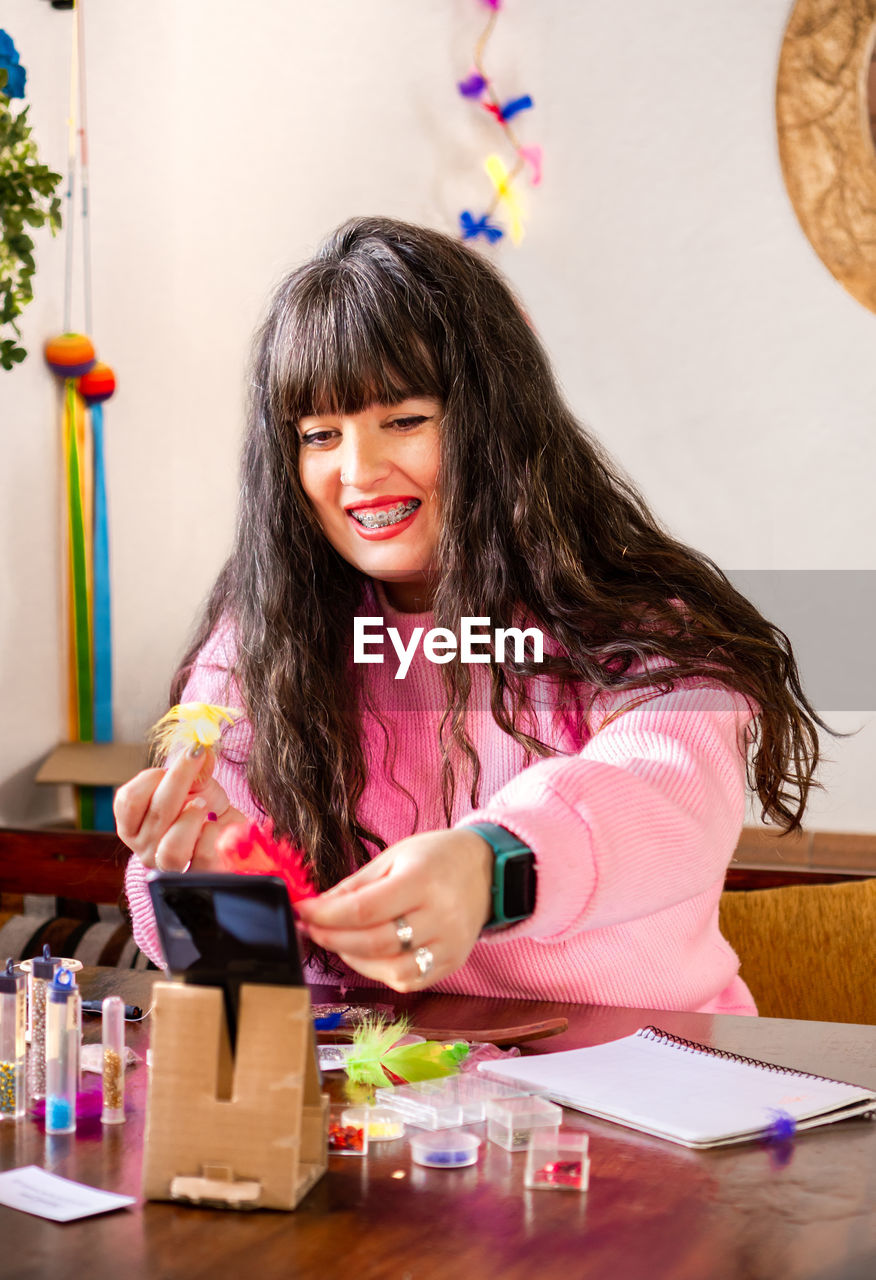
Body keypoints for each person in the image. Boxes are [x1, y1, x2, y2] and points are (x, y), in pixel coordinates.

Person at [116, 216, 822, 1012]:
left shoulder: (643, 627)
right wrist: (209, 883)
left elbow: (661, 794)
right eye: (320, 434)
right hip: (391, 1105)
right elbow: (247, 980)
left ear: (495, 424)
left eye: (405, 421)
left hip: (645, 1091)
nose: (359, 471)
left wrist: (490, 868)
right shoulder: (262, 641)